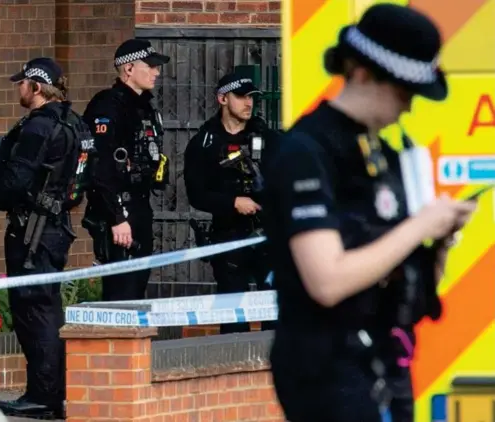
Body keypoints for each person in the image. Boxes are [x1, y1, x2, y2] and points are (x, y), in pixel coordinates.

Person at [262, 5, 477, 422]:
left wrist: (441, 240)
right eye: (403, 92)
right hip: (327, 370)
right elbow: (326, 281)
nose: (409, 107)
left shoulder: (385, 155)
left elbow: (413, 286)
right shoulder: (306, 153)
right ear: (360, 71)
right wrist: (420, 226)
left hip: (384, 362)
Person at [0, 57, 87, 419]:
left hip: (33, 231)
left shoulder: (38, 127)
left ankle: (43, 397)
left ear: (36, 87)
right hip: (56, 227)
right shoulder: (73, 122)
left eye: (23, 84)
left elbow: (17, 179)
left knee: (34, 312)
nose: (19, 89)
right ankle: (53, 391)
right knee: (47, 308)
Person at [183, 73, 280, 334]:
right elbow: (196, 194)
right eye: (241, 96)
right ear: (223, 99)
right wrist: (232, 202)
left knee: (274, 311)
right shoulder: (204, 143)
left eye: (251, 97)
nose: (248, 103)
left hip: (268, 237)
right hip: (228, 237)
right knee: (233, 316)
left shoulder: (268, 138)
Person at [81, 38, 170, 301]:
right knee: (122, 294)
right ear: (129, 69)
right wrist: (117, 217)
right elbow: (100, 167)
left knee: (137, 289)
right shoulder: (109, 105)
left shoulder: (144, 107)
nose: (157, 72)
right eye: (151, 65)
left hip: (140, 206)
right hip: (119, 213)